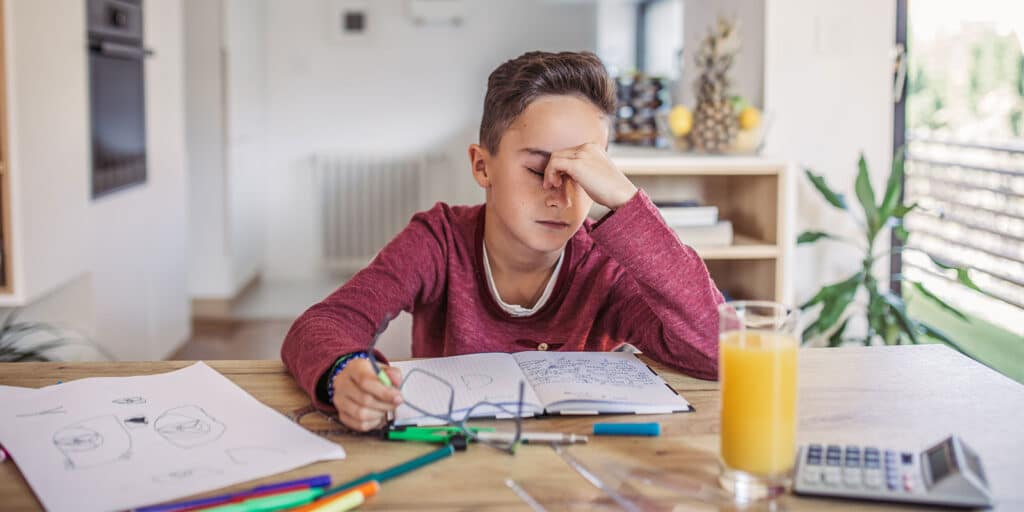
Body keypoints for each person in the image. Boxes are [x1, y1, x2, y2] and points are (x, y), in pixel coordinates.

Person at [282, 50, 724, 432]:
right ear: (482, 167)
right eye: (538, 170)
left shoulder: (604, 264)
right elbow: (322, 324)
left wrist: (628, 203)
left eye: (584, 175)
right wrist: (343, 373)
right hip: (456, 463)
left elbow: (721, 351)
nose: (561, 197)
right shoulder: (438, 242)